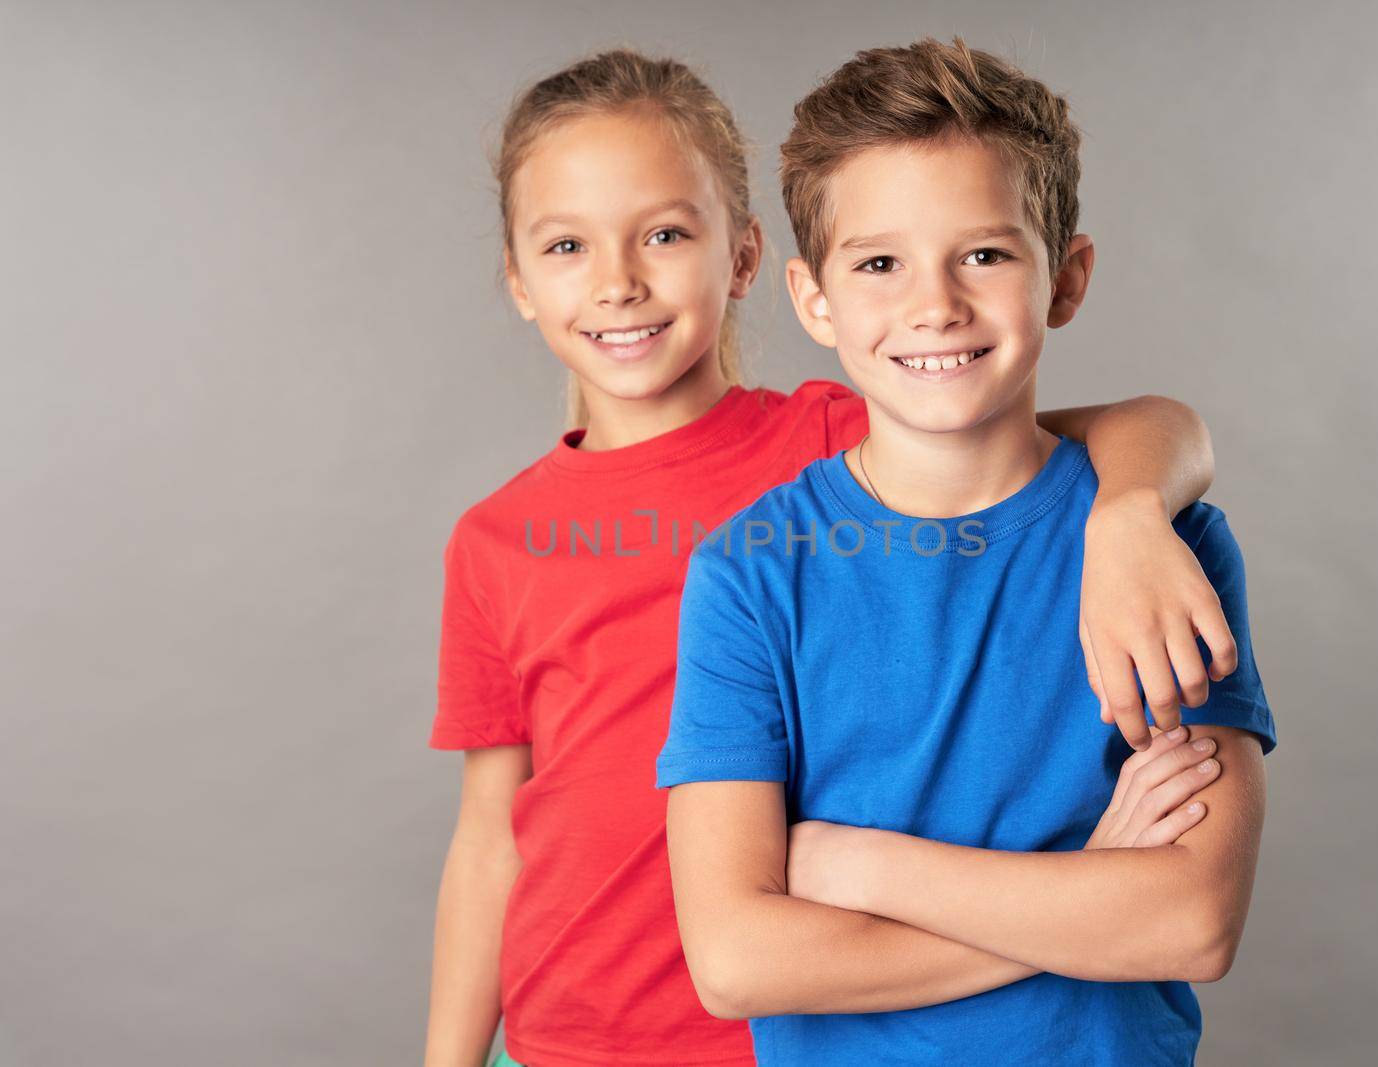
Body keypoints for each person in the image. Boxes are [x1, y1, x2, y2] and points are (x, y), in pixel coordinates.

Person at [427, 46, 1238, 1067]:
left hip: (790, 1014)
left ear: (746, 258)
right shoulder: (503, 538)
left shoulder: (834, 432)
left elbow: (1091, 438)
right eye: (566, 247)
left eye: (665, 234)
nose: (619, 283)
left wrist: (1128, 512)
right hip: (582, 1025)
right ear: (515, 278)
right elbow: (490, 833)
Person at [658, 38, 1277, 1066]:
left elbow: (1187, 921)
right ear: (816, 300)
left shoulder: (1164, 545)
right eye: (879, 263)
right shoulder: (750, 575)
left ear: (1065, 277)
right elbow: (735, 957)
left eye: (984, 254)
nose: (934, 304)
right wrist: (1083, 890)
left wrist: (854, 865)